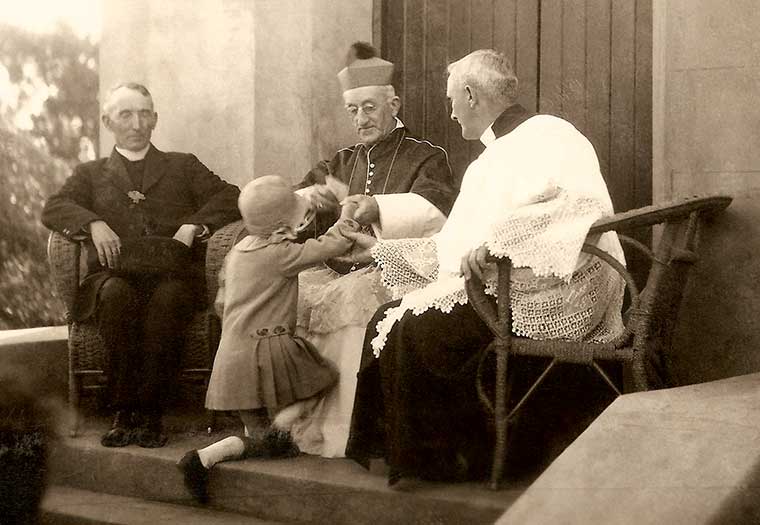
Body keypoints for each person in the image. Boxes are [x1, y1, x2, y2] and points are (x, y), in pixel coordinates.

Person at [345, 49, 626, 485]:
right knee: (388, 317)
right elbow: (451, 249)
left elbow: (579, 207)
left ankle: (459, 459)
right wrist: (381, 251)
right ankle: (432, 457)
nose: (451, 113)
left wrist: (496, 244)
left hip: (560, 293)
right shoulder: (486, 160)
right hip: (507, 287)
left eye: (451, 100)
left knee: (416, 329)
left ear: (471, 95)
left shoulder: (551, 134)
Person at [41, 83, 241, 448]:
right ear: (107, 121)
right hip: (113, 275)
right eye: (125, 114)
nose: (136, 123)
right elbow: (53, 208)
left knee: (167, 301)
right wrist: (92, 223)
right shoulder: (90, 173)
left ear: (155, 119)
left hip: (173, 275)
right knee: (116, 296)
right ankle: (123, 411)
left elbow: (231, 196)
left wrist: (195, 224)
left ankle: (150, 413)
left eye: (144, 114)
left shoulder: (183, 165)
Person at [290, 42, 458, 457]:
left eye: (369, 108)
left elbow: (438, 212)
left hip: (395, 268)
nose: (360, 119)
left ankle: (353, 433)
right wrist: (316, 197)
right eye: (353, 111)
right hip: (335, 267)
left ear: (392, 104)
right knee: (291, 293)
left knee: (353, 300)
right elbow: (296, 198)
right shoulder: (340, 159)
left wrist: (378, 206)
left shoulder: (426, 156)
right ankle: (301, 427)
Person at [177, 176, 360, 504]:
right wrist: (347, 219)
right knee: (324, 379)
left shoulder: (238, 252)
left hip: (231, 355)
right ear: (281, 226)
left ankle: (217, 455)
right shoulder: (282, 254)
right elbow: (332, 246)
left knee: (260, 434)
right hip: (268, 349)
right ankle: (256, 436)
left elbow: (221, 303)